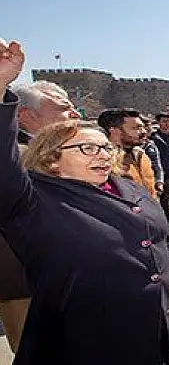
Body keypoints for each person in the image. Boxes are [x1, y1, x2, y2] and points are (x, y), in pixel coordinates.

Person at [0, 39, 169, 364]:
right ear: (51, 160)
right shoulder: (33, 200)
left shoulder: (128, 188)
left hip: (158, 334)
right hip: (91, 343)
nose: (102, 155)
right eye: (87, 149)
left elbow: (164, 240)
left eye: (105, 147)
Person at [0, 81, 81, 354]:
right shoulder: (11, 160)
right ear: (26, 115)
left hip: (77, 275)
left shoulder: (72, 151)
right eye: (63, 108)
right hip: (27, 282)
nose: (75, 114)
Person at [98, 108, 159, 198]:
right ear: (114, 131)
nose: (143, 132)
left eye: (142, 127)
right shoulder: (102, 160)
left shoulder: (140, 155)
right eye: (136, 128)